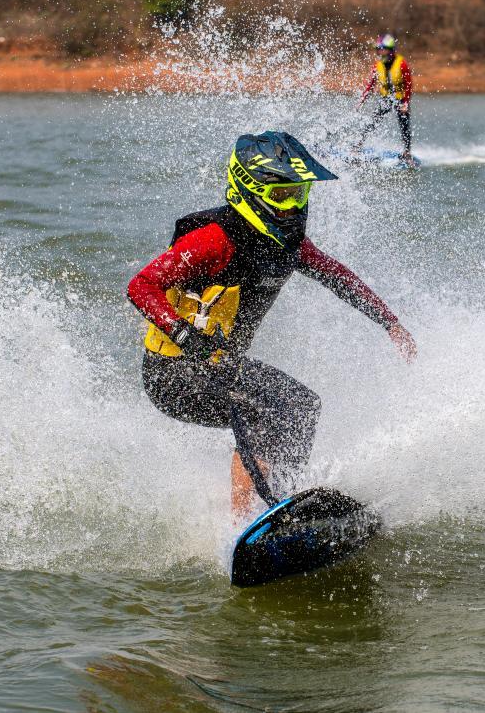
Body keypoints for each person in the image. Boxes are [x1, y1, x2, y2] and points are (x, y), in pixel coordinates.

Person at [127, 131, 417, 518]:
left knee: (302, 406)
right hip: (175, 375)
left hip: (219, 368)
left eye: (299, 195)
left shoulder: (288, 246)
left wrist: (390, 323)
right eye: (282, 196)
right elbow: (141, 285)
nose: (293, 207)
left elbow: (338, 276)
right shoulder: (213, 241)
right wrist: (183, 333)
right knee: (267, 411)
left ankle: (283, 502)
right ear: (249, 190)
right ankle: (243, 522)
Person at [355, 34, 415, 164]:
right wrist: (362, 99)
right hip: (386, 99)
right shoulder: (377, 65)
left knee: (404, 124)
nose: (381, 51)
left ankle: (407, 152)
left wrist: (405, 103)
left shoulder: (402, 63)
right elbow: (371, 84)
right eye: (379, 49)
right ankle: (357, 146)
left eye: (384, 49)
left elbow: (409, 84)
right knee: (373, 120)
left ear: (391, 50)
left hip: (400, 100)